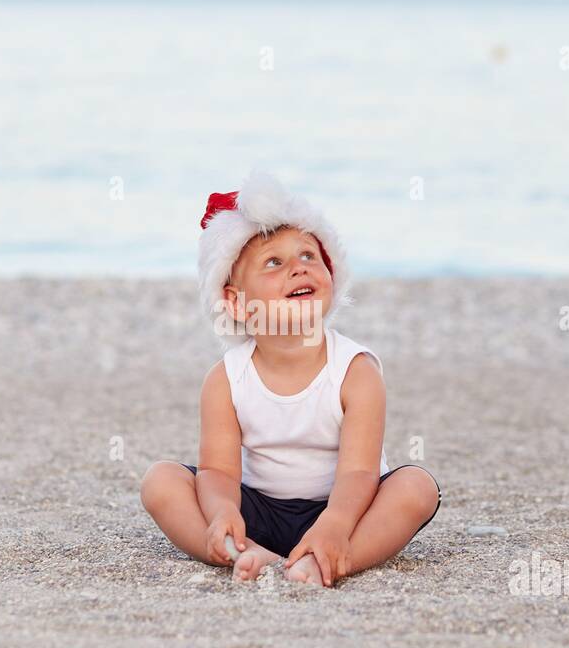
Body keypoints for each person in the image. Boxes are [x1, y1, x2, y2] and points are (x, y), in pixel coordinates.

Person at [140, 171, 441, 587]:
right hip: (258, 510)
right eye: (274, 263)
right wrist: (223, 512)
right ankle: (240, 550)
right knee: (161, 482)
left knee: (416, 488)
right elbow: (218, 471)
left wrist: (335, 523)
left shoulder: (356, 371)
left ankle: (335, 558)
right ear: (237, 303)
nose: (298, 269)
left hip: (345, 508)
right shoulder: (226, 378)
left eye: (308, 256)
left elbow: (358, 473)